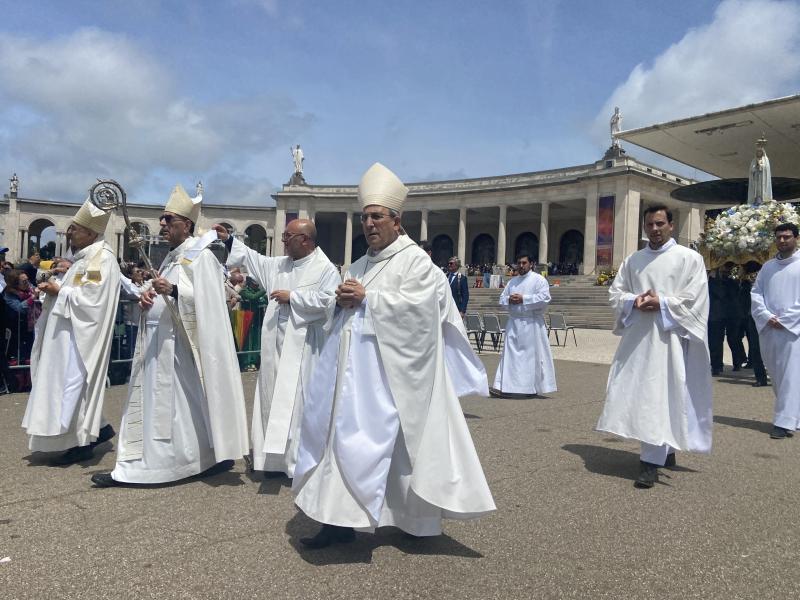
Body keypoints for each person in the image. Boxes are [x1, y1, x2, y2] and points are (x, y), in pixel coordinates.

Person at [293, 162, 495, 549]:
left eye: (377, 217)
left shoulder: (415, 261)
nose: (369, 224)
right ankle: (338, 521)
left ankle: (411, 520)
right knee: (342, 440)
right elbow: (342, 304)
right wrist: (340, 301)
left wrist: (370, 299)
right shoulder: (357, 263)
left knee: (399, 449)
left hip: (392, 374)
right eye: (365, 217)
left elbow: (424, 310)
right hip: (352, 373)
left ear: (397, 221)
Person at [91, 184, 249, 487]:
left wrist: (174, 290)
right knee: (168, 406)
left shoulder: (201, 257)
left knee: (175, 408)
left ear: (186, 225)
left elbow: (212, 300)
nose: (162, 224)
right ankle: (191, 458)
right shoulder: (172, 257)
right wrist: (147, 297)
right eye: (162, 219)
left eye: (168, 219)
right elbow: (163, 292)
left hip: (179, 350)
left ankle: (164, 465)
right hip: (157, 344)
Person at [596, 205, 713, 489]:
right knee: (645, 394)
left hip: (671, 339)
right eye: (649, 224)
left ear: (671, 225)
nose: (655, 229)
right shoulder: (634, 260)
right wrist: (634, 301)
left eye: (660, 223)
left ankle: (650, 462)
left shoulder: (689, 258)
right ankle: (664, 449)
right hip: (638, 339)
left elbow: (695, 298)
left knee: (661, 394)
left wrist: (661, 302)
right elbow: (616, 293)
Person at [214, 218, 340, 478]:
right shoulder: (279, 265)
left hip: (304, 350)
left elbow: (330, 302)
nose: (282, 241)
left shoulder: (325, 268)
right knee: (270, 399)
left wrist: (293, 297)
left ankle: (296, 463)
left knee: (296, 405)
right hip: (274, 349)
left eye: (287, 237)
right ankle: (271, 461)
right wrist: (228, 240)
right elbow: (253, 258)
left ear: (304, 239)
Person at [21, 199, 120, 464]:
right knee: (64, 386)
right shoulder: (82, 260)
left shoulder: (102, 260)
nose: (69, 232)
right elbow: (78, 291)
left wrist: (60, 290)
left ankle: (81, 442)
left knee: (73, 386)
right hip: (66, 334)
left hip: (79, 339)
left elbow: (94, 300)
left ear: (90, 232)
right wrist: (55, 288)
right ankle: (97, 429)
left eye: (75, 228)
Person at [750, 223, 800, 439]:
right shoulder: (768, 267)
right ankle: (793, 416)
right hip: (770, 327)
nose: (782, 241)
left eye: (787, 237)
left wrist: (787, 319)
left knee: (791, 375)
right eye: (779, 237)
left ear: (796, 238)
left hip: (793, 330)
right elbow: (756, 293)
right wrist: (766, 316)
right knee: (777, 374)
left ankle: (783, 422)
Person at [490, 254, 556, 398]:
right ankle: (504, 386)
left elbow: (545, 298)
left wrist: (523, 299)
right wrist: (509, 299)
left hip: (531, 323)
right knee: (510, 355)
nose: (521, 266)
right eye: (519, 263)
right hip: (514, 322)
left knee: (529, 357)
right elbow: (502, 299)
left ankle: (528, 388)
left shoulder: (539, 280)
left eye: (524, 263)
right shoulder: (512, 282)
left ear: (531, 264)